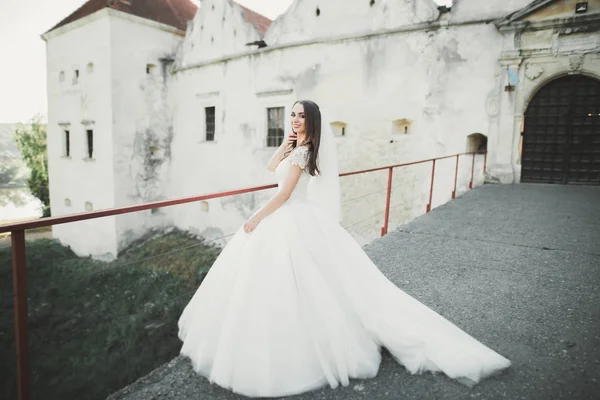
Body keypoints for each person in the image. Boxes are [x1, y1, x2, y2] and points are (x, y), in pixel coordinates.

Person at [178, 100, 510, 398]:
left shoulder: (305, 152)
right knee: (296, 282)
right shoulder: (297, 146)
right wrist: (285, 141)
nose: (294, 120)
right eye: (292, 115)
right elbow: (270, 169)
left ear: (312, 121)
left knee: (296, 283)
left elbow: (283, 194)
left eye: (300, 116)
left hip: (288, 215)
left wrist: (256, 218)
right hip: (291, 215)